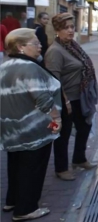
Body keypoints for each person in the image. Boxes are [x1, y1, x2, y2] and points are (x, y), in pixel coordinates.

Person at [0, 28, 62, 220]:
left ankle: (12, 200)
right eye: (35, 43)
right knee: (32, 168)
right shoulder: (30, 68)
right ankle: (25, 209)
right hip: (34, 129)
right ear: (20, 47)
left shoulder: (5, 65)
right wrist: (57, 118)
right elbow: (42, 99)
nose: (40, 46)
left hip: (11, 128)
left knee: (15, 165)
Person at [45, 13, 98, 181]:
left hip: (80, 97)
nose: (70, 31)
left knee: (84, 127)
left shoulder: (73, 46)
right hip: (65, 99)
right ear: (57, 30)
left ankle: (79, 158)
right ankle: (61, 168)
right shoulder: (55, 51)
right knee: (63, 135)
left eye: (71, 27)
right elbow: (53, 81)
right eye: (65, 28)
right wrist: (65, 100)